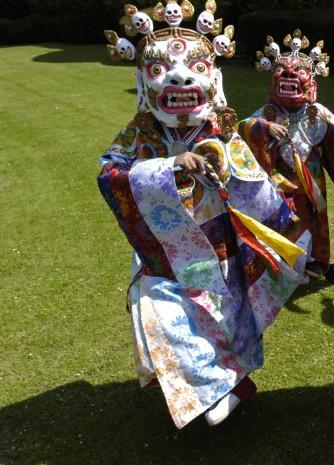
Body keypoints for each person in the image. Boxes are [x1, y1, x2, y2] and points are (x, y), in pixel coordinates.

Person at [97, 0, 310, 429]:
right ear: (143, 81)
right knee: (163, 315)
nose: (179, 77)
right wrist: (168, 166)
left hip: (218, 246)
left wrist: (226, 169)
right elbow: (110, 172)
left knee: (223, 320)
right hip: (162, 250)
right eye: (160, 70)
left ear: (213, 78)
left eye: (194, 66)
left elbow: (255, 188)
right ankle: (214, 387)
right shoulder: (140, 132)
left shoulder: (219, 131)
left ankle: (231, 382)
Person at [238, 30, 334, 285]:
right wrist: (262, 126)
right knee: (283, 215)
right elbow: (242, 128)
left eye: (300, 72)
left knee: (314, 218)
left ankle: (315, 260)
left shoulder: (318, 112)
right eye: (282, 70)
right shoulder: (269, 112)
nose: (290, 75)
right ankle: (281, 260)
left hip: (311, 176)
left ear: (312, 83)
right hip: (281, 176)